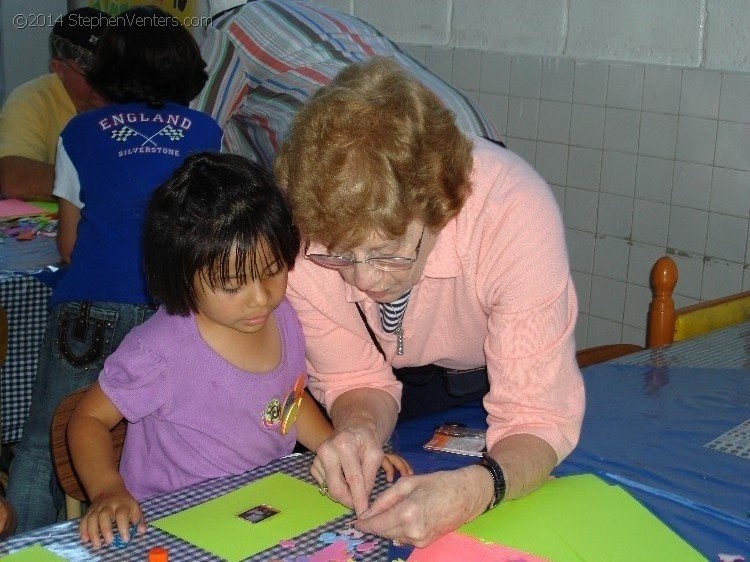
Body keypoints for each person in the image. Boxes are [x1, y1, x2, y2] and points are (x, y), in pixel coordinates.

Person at [274, 57, 585, 547]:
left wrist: (477, 488)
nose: (365, 279)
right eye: (341, 257)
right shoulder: (304, 237)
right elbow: (354, 378)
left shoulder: (513, 214)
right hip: (390, 379)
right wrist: (356, 431)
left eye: (388, 254)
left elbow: (537, 418)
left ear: (442, 209)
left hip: (481, 373)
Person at [67, 152, 411, 548]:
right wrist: (108, 490)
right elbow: (88, 419)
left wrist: (342, 448)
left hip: (259, 515)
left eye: (273, 272)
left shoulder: (283, 317)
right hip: (171, 528)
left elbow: (290, 403)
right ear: (181, 275)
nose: (260, 299)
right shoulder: (161, 351)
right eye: (232, 286)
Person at [5, 6, 222, 533]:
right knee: (163, 436)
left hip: (86, 310)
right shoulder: (206, 132)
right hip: (168, 313)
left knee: (44, 442)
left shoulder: (79, 134)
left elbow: (70, 247)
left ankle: (27, 548)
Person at [192, 0, 501, 169]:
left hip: (394, 151)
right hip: (474, 132)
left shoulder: (222, 37)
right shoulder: (308, 14)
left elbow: (192, 136)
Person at [0, 7, 108, 200]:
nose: (106, 84)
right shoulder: (30, 100)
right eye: (92, 76)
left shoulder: (134, 92)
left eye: (114, 72)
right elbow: (15, 178)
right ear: (59, 69)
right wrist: (104, 182)